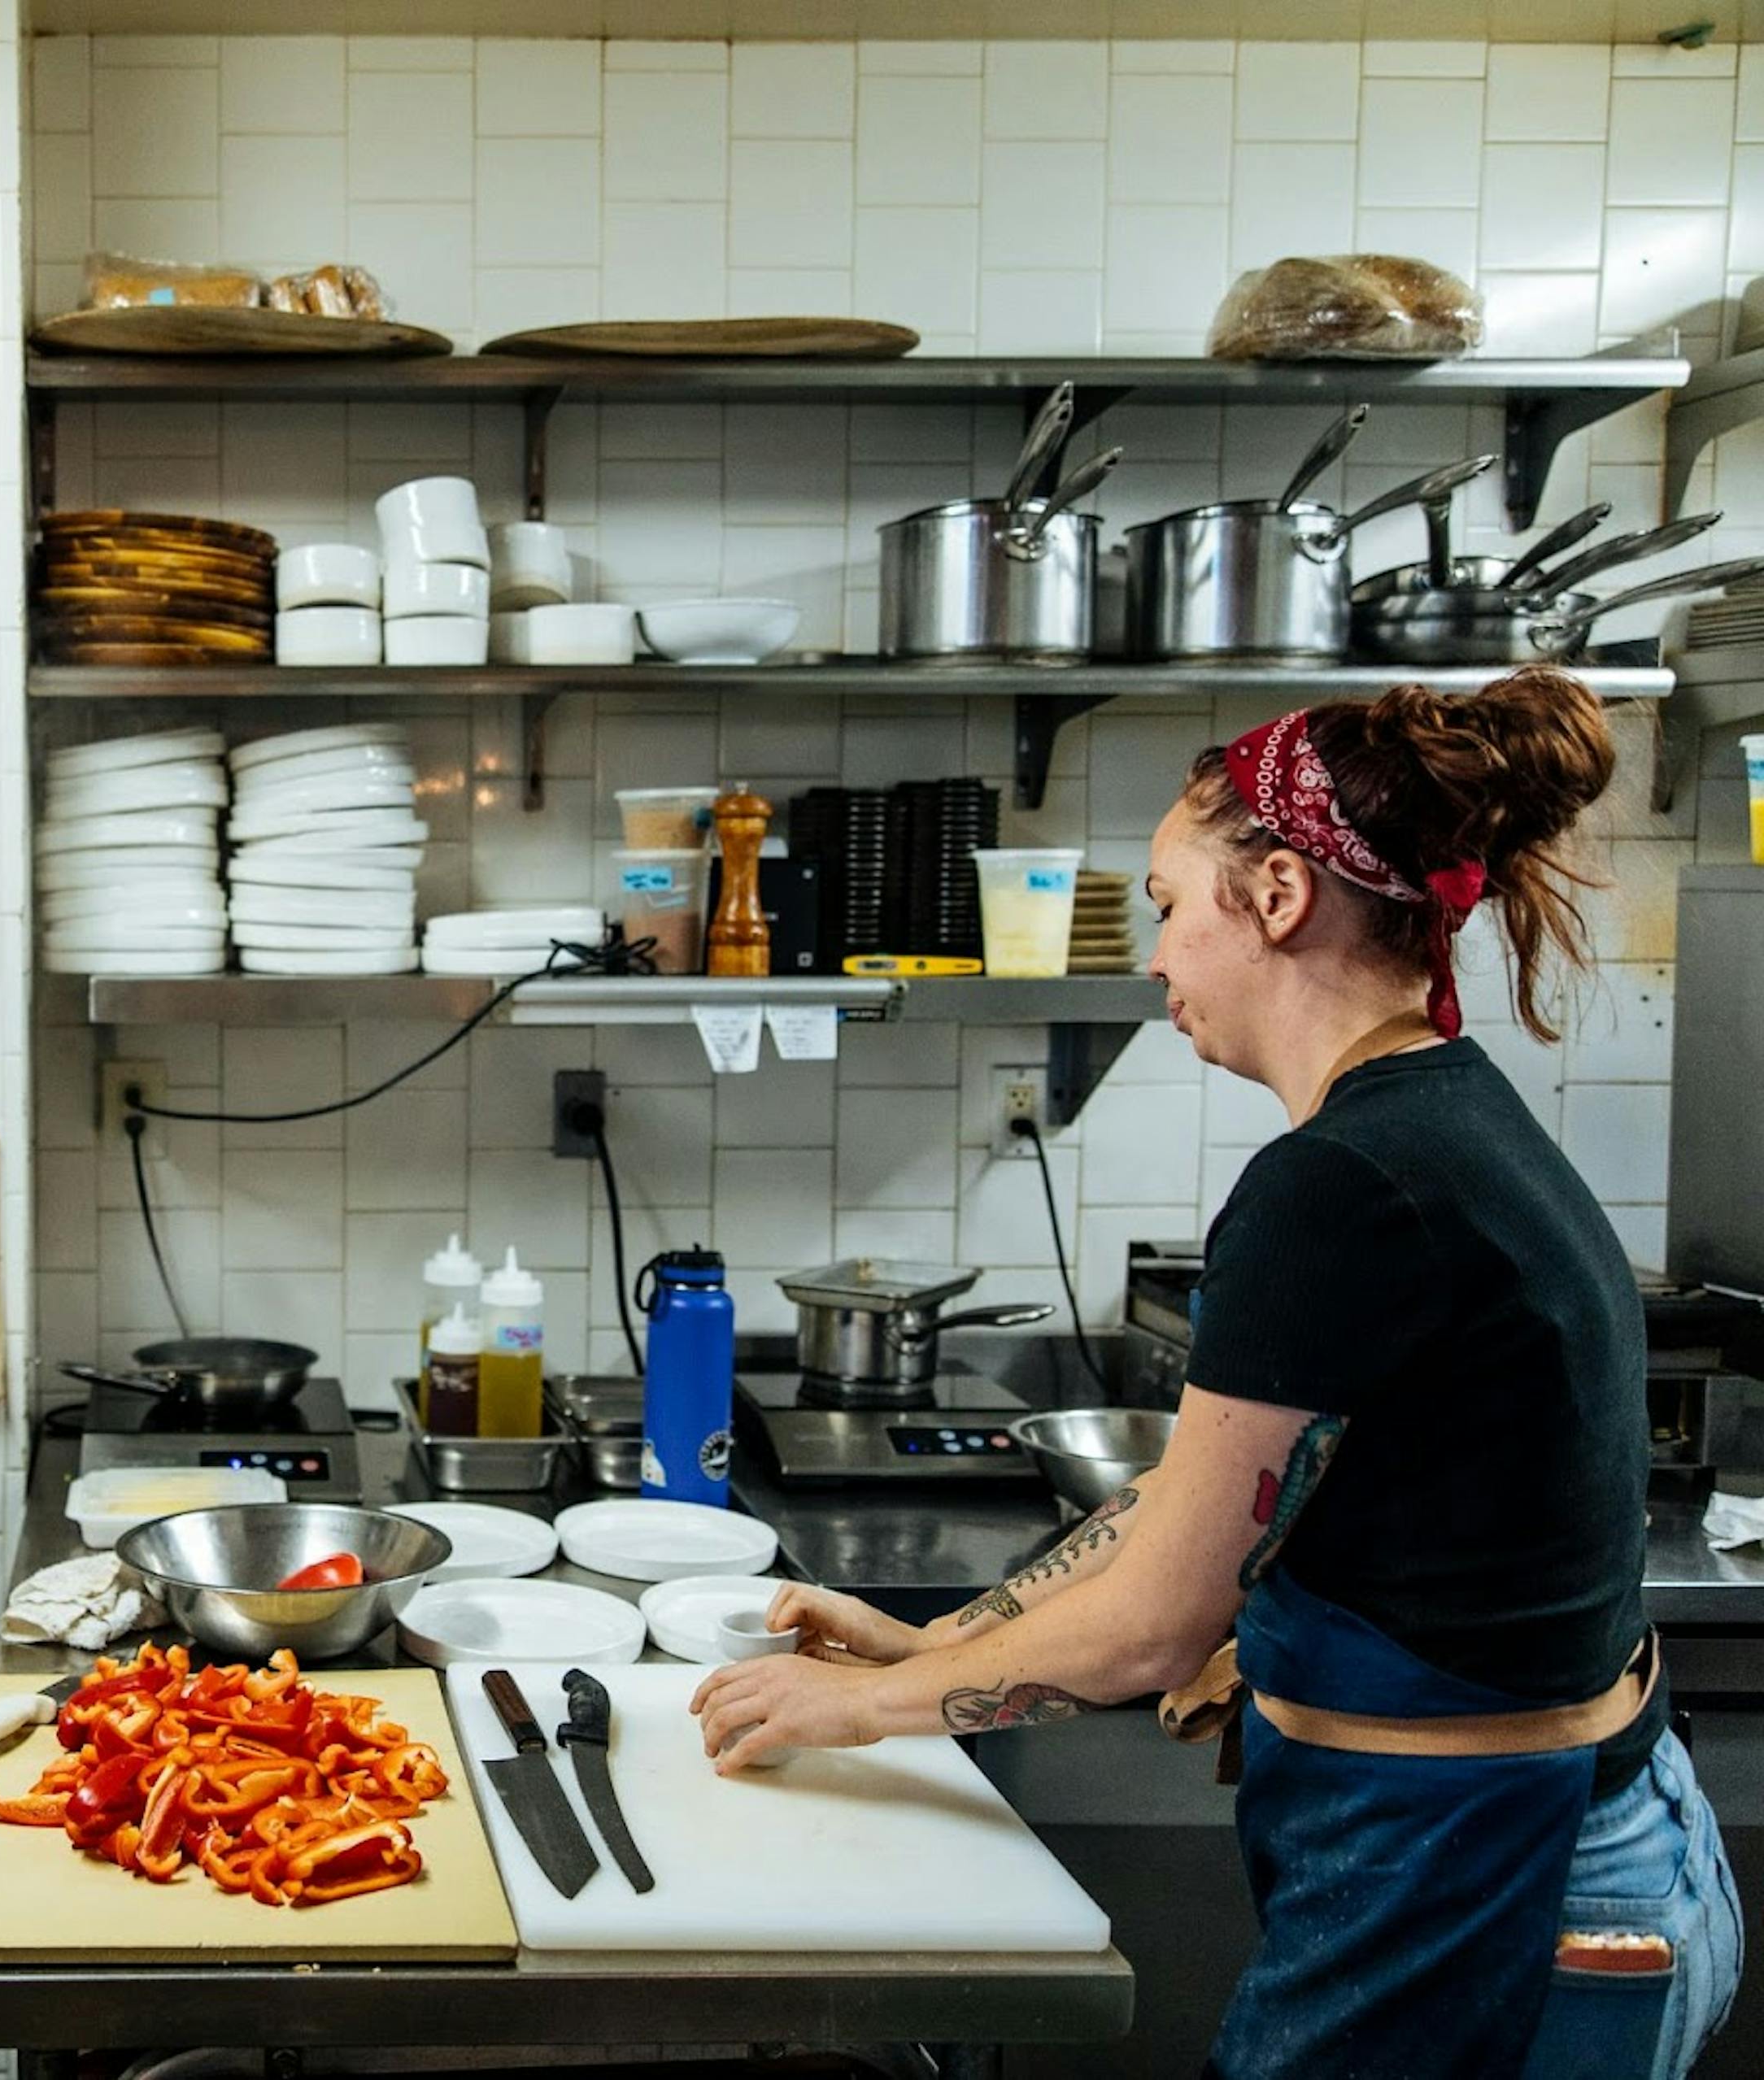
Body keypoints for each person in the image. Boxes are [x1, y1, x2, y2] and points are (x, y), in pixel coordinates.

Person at [690, 670, 1741, 2078]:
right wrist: (938, 1646)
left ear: (1281, 897)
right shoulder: (1431, 1118)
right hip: (1534, 1849)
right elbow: (1195, 1510)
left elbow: (1151, 1626)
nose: (1159, 953)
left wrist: (858, 1705)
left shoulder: (1343, 1184)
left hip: (1500, 1885)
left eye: (1171, 901)